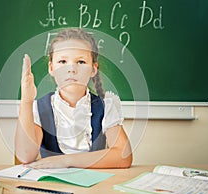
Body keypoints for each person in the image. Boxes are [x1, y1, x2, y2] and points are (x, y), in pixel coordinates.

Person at [15, 28, 132, 169]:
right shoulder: (40, 108)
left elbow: (123, 156)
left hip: (94, 187)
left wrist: (66, 161)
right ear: (51, 68)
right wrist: (26, 101)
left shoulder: (105, 106)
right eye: (63, 61)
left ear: (93, 69)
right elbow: (25, 156)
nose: (71, 69)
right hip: (52, 187)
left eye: (81, 62)